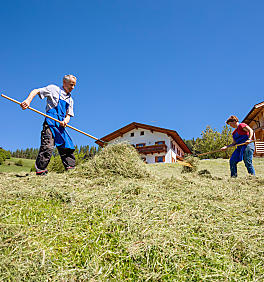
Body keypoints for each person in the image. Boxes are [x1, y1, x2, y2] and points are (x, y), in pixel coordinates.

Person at [21, 74, 77, 175]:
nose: (73, 87)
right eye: (71, 85)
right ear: (64, 83)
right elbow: (36, 91)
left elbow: (69, 115)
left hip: (61, 126)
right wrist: (28, 100)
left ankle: (71, 170)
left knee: (67, 146)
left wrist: (65, 121)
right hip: (50, 124)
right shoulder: (53, 89)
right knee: (47, 146)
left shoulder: (70, 100)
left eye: (74, 85)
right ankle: (41, 171)